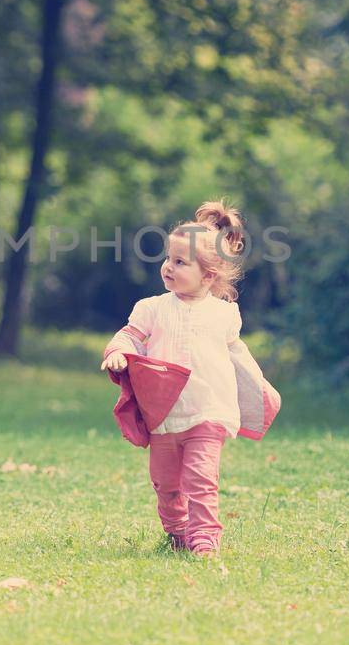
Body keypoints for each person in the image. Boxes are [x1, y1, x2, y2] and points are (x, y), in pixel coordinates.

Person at [101, 201, 279, 556]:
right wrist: (117, 352)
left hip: (209, 411)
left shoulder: (224, 314)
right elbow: (129, 336)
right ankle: (178, 532)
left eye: (181, 263)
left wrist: (256, 391)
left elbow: (237, 357)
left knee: (200, 479)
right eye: (169, 259)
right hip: (164, 414)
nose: (169, 267)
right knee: (166, 486)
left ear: (209, 276)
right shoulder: (151, 308)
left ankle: (204, 539)